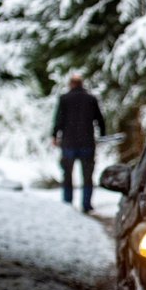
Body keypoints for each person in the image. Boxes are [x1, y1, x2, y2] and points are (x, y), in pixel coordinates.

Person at [52, 74, 106, 213]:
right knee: (87, 176)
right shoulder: (91, 99)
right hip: (87, 143)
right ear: (82, 84)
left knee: (67, 174)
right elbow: (100, 119)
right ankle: (86, 204)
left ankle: (67, 202)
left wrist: (54, 135)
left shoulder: (64, 99)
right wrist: (102, 136)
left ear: (70, 84)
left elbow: (58, 120)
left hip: (68, 143)